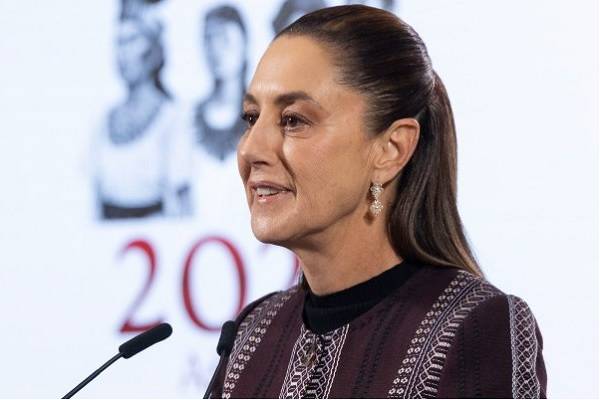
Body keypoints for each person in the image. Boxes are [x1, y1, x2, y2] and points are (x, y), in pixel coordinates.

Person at [206, 5, 547, 398]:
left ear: (391, 149)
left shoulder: (475, 327)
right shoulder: (252, 334)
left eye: (293, 120)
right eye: (251, 118)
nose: (250, 149)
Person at [93, 14, 193, 220]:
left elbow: (183, 200)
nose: (123, 53)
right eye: (119, 43)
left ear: (152, 49)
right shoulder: (103, 120)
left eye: (131, 41)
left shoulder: (173, 116)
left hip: (154, 231)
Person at [194, 5, 249, 162]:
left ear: (244, 43)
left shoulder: (263, 115)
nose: (216, 49)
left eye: (225, 38)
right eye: (209, 39)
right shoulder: (187, 118)